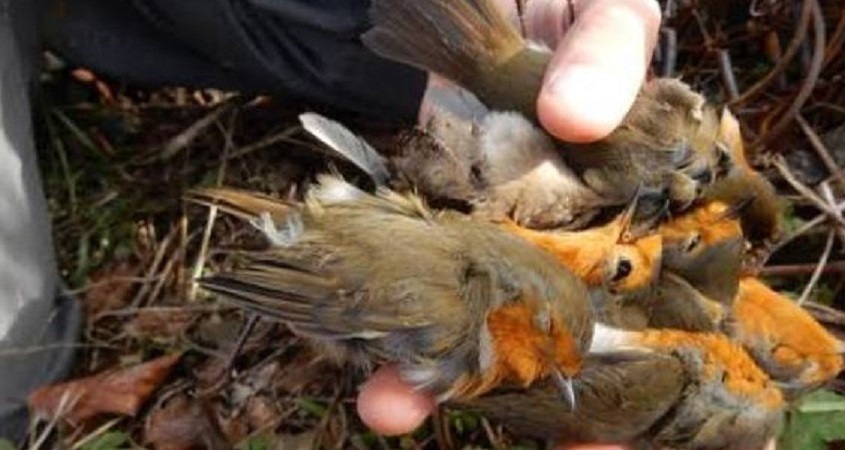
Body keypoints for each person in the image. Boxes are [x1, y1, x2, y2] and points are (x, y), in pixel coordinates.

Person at [0, 0, 661, 448]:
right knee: (9, 359)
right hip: (349, 249)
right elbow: (326, 291)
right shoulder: (455, 313)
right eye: (548, 343)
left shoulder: (495, 288)